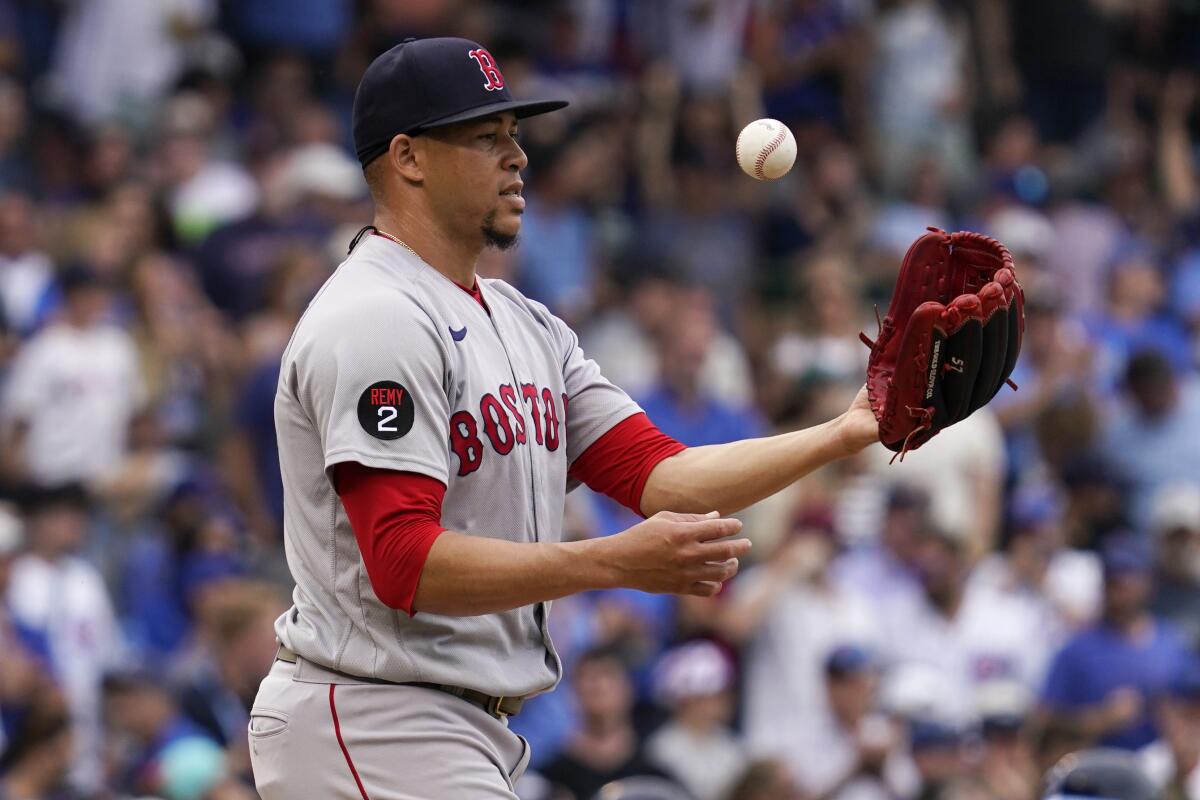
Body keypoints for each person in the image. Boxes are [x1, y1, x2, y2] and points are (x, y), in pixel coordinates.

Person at [246, 35, 882, 800]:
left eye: (514, 137)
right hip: (376, 714)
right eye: (486, 138)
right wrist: (612, 563)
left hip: (451, 724)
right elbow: (402, 561)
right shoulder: (377, 316)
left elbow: (663, 477)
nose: (518, 158)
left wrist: (847, 432)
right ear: (408, 158)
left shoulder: (521, 321)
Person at [1039, 535, 1192, 751]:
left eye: (1127, 575)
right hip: (1096, 767)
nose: (1118, 586)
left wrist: (1171, 717)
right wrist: (1096, 720)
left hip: (1160, 769)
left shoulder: (1172, 645)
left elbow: (1191, 711)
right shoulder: (1077, 649)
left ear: (1147, 580)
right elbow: (1043, 718)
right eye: (1112, 577)